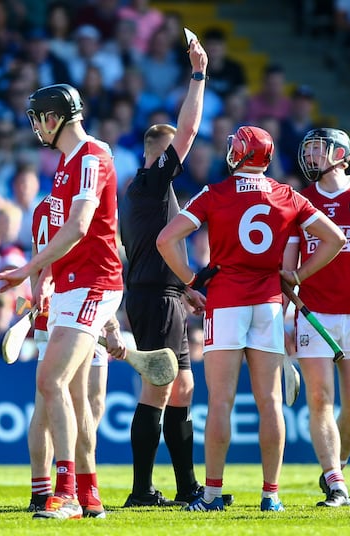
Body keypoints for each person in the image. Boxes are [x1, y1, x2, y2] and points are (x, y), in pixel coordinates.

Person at [157, 125, 346, 512]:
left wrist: (190, 280)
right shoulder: (287, 195)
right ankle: (270, 495)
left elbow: (165, 239)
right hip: (268, 303)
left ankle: (212, 494)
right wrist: (298, 275)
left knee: (220, 402)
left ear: (240, 153)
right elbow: (336, 239)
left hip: (226, 302)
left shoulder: (214, 193)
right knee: (271, 403)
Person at [0, 83, 124, 520]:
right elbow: (64, 239)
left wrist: (27, 270)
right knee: (76, 397)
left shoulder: (91, 156)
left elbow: (80, 227)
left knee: (50, 381)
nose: (35, 127)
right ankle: (89, 495)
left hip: (94, 284)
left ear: (53, 118)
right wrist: (45, 276)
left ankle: (65, 494)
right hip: (70, 285)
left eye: (37, 118)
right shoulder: (66, 163)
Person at [119, 36, 213, 508]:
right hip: (156, 299)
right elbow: (189, 130)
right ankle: (141, 491)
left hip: (164, 295)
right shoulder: (153, 183)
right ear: (159, 153)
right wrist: (198, 75)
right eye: (174, 150)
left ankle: (186, 487)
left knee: (182, 387)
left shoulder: (147, 193)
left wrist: (184, 288)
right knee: (159, 387)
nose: (183, 156)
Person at [282, 128, 350, 507]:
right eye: (308, 150)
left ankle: (337, 466)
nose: (310, 156)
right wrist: (284, 318)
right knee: (319, 399)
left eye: (318, 149)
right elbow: (288, 267)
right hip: (313, 315)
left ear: (341, 154)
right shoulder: (300, 200)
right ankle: (336, 484)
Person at [26, 194, 125, 514]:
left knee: (58, 403)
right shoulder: (83, 206)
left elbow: (40, 262)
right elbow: (93, 270)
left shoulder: (44, 207)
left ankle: (55, 489)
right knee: (77, 399)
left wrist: (40, 302)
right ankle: (74, 488)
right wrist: (111, 325)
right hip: (78, 310)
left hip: (57, 310)